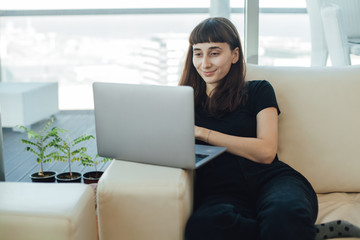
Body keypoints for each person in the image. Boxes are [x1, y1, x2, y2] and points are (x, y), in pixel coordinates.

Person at [179, 17, 360, 240]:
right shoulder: (185, 103)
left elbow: (266, 152)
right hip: (220, 191)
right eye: (198, 53)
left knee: (285, 214)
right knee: (204, 226)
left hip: (272, 181)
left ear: (234, 55)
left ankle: (290, 229)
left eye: (214, 53)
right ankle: (309, 234)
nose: (205, 63)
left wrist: (202, 133)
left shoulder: (258, 90)